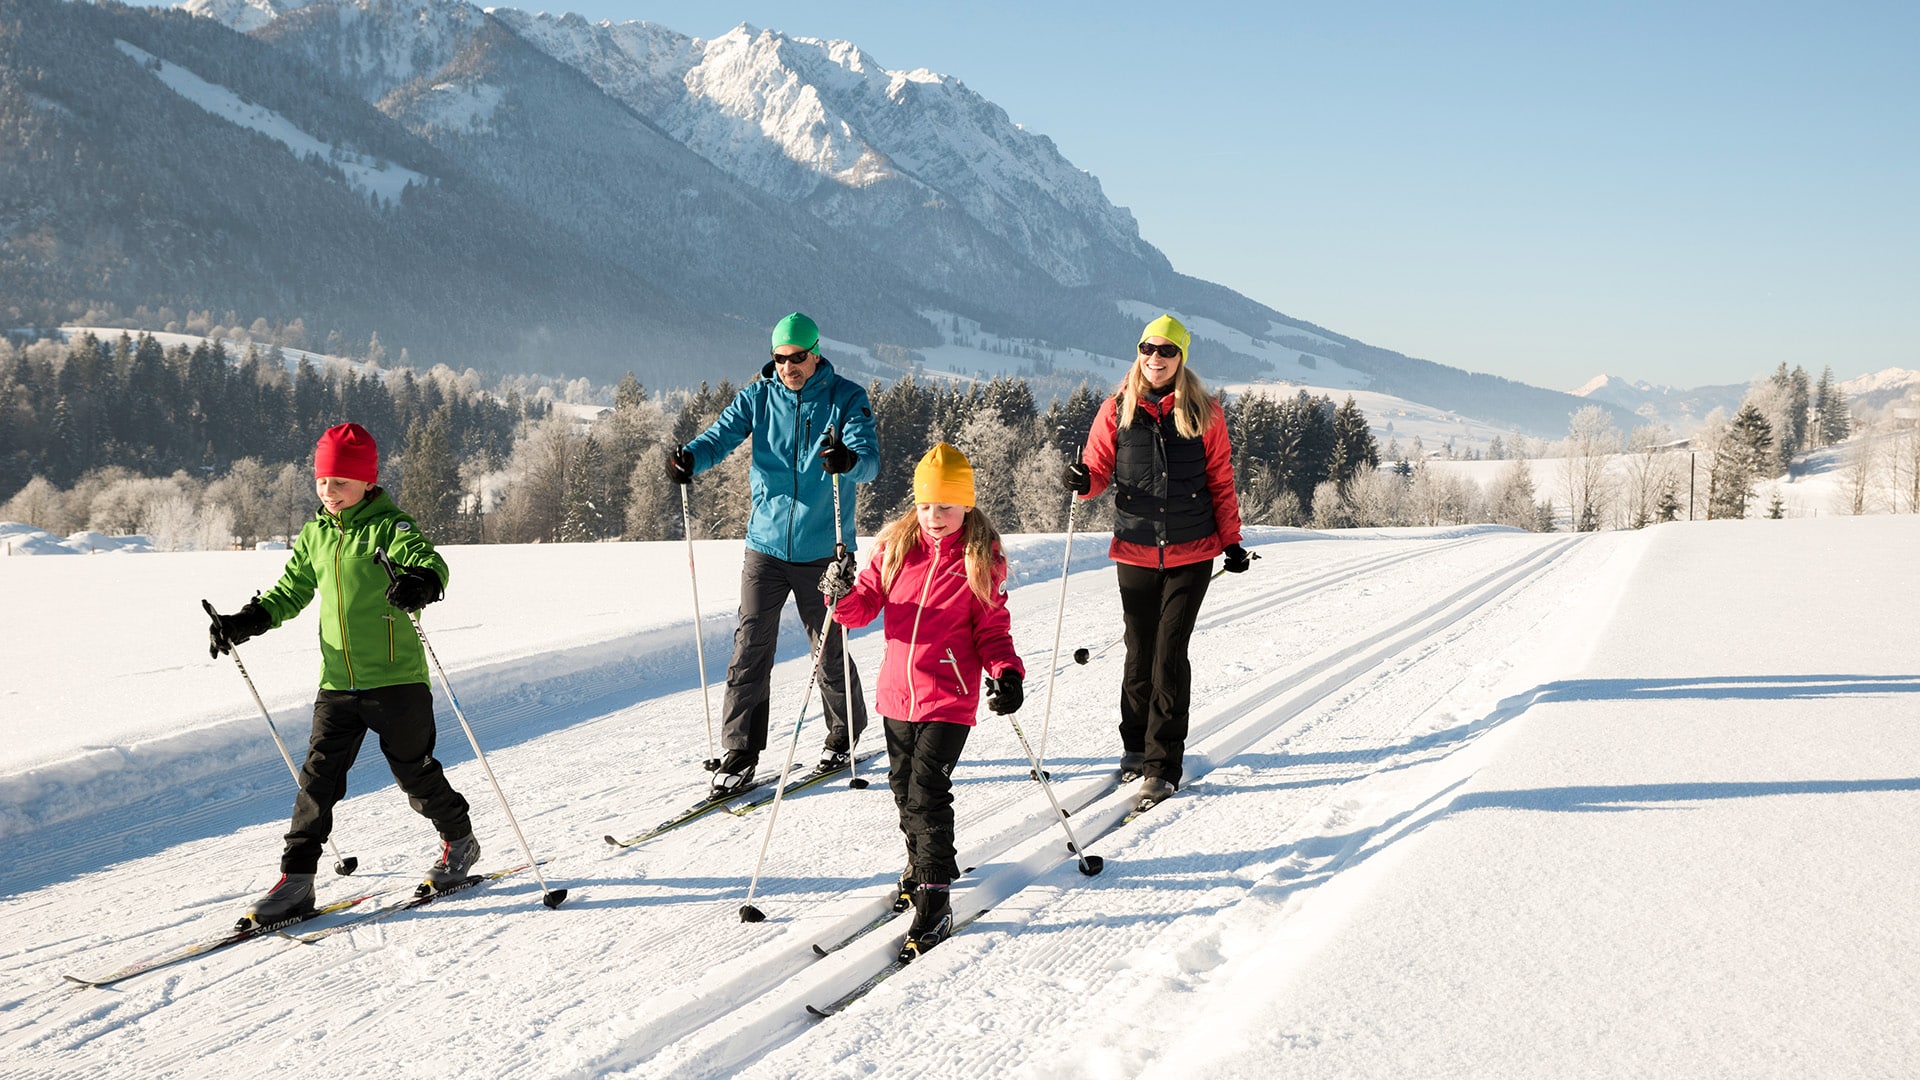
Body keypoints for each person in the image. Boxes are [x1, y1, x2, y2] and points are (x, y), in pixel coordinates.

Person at [207, 422, 477, 928]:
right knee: (317, 780)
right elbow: (291, 590)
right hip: (337, 683)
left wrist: (420, 583)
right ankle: (296, 880)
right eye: (322, 482)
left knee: (414, 774)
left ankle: (459, 840)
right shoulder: (315, 534)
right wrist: (245, 622)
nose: (329, 493)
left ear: (367, 483)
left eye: (341, 483)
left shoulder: (389, 527)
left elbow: (430, 563)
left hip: (397, 680)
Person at [821, 442, 1025, 962]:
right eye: (927, 505)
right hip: (897, 694)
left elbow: (993, 632)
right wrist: (840, 592)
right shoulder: (894, 550)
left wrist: (1006, 672)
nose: (935, 517)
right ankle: (917, 865)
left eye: (948, 507)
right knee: (901, 787)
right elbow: (859, 610)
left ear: (968, 507)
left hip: (947, 696)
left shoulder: (980, 560)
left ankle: (935, 897)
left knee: (927, 791)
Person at [667, 312, 878, 796]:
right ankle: (740, 751)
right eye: (780, 359)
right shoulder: (758, 397)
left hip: (823, 549)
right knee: (749, 647)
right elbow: (720, 436)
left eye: (797, 358)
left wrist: (848, 460)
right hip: (764, 546)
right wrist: (691, 458)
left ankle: (845, 733)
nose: (788, 367)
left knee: (827, 649)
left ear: (816, 353)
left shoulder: (846, 399)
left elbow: (869, 462)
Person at [1064, 314, 1249, 814]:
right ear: (1139, 352)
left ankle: (1163, 765)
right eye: (1148, 348)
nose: (1156, 358)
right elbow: (1099, 469)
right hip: (1136, 548)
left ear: (1181, 358)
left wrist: (1231, 541)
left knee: (1169, 654)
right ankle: (1135, 745)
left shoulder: (1205, 413)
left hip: (1192, 550)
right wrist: (1083, 481)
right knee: (1138, 652)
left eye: (1167, 351)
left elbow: (1220, 480)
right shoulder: (1116, 409)